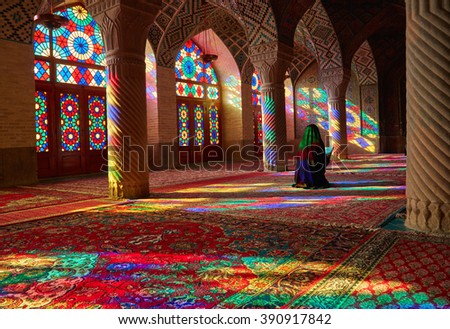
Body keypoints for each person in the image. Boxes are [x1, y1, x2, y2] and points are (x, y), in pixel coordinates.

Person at [292, 124, 330, 189]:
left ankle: (303, 180)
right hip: (314, 169)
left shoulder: (302, 143)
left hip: (303, 170)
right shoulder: (318, 143)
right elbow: (321, 159)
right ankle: (314, 181)